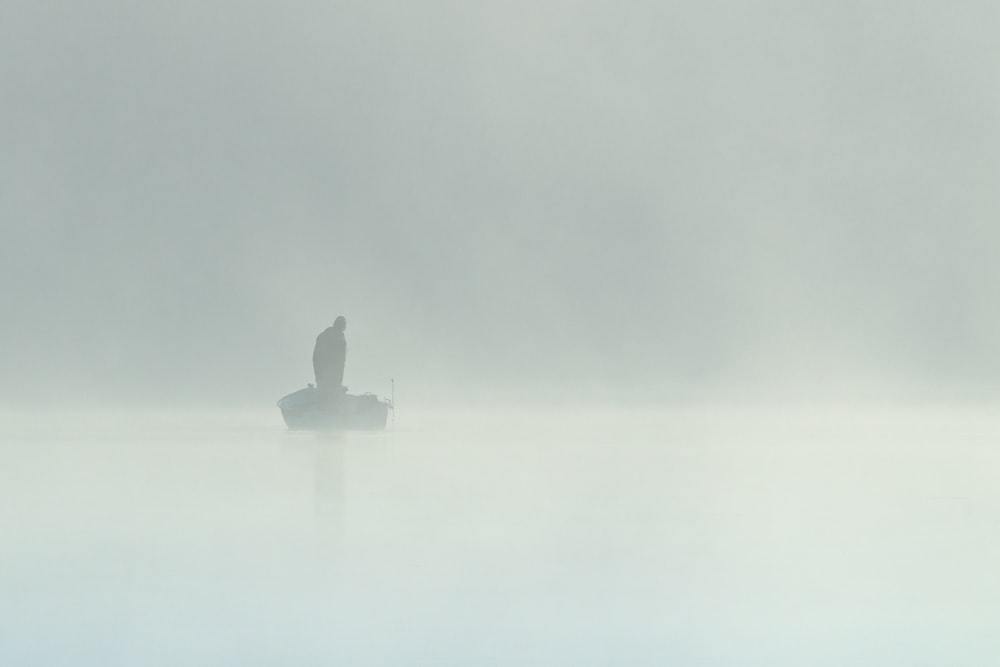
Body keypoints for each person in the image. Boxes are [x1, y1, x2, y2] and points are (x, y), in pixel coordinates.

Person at [313, 316, 347, 401]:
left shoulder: (322, 336)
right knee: (332, 405)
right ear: (343, 327)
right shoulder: (340, 339)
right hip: (333, 379)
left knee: (321, 403)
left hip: (321, 376)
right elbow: (341, 362)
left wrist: (318, 375)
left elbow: (315, 357)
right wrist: (339, 381)